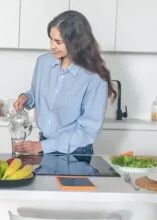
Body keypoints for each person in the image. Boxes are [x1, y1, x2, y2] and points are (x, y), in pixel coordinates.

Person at [13, 10, 117, 155]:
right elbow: (37, 92)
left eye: (58, 42)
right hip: (43, 145)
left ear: (76, 42)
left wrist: (43, 146)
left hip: (76, 152)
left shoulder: (94, 78)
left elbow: (87, 131)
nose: (51, 46)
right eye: (51, 39)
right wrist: (26, 97)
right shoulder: (43, 62)